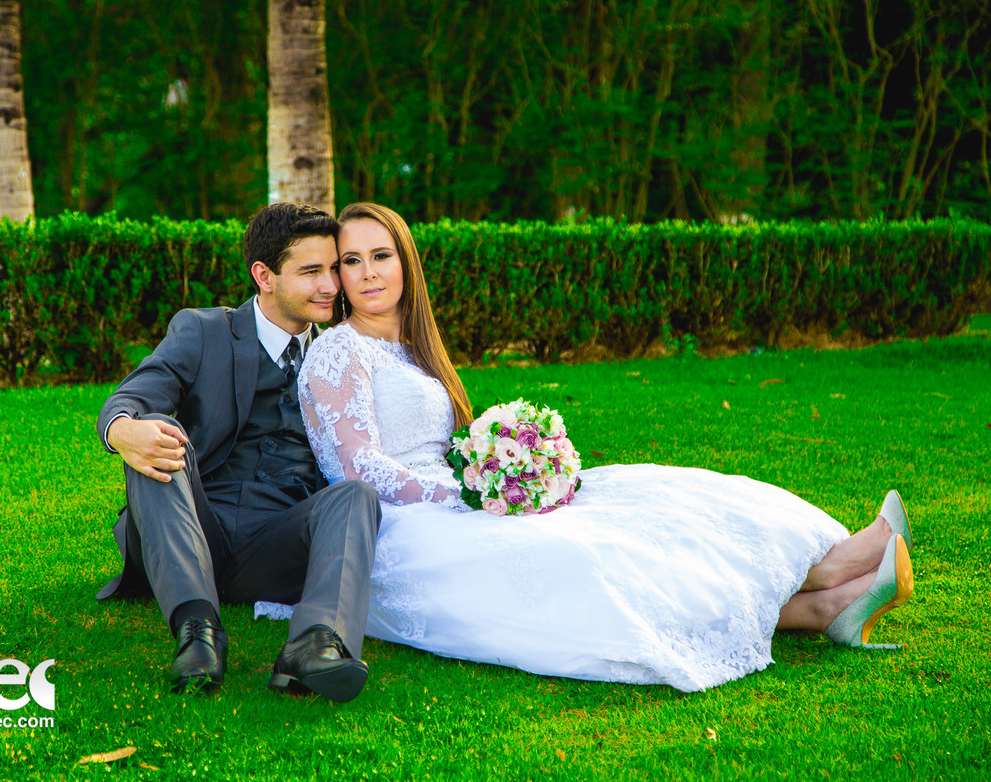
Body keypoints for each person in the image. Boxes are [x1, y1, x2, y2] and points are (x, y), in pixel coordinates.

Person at [294, 202, 915, 691]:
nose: (369, 272)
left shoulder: (413, 348)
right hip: (400, 522)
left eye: (382, 255)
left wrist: (514, 461)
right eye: (352, 261)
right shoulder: (338, 349)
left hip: (454, 494)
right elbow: (359, 469)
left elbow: (444, 443)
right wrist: (470, 489)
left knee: (658, 498)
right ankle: (825, 596)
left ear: (407, 264)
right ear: (339, 277)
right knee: (590, 555)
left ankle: (827, 585)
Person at [95, 202, 382, 702]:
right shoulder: (204, 331)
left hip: (278, 540)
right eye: (311, 271)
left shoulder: (340, 353)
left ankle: (316, 643)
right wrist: (122, 429)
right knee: (156, 431)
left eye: (335, 268)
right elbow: (133, 398)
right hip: (191, 522)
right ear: (264, 276)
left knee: (355, 496)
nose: (331, 286)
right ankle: (198, 633)